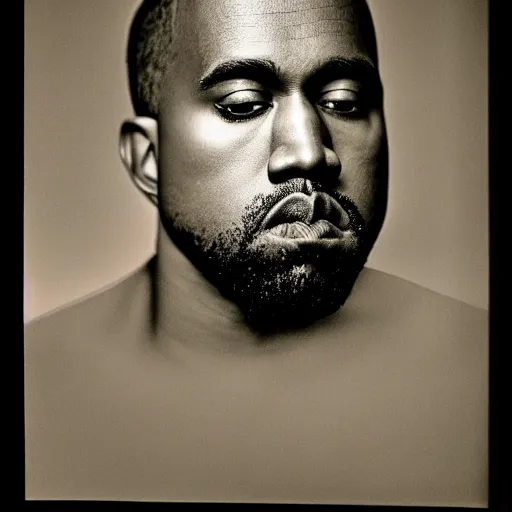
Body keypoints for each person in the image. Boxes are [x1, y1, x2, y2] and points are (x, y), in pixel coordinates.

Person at [24, 0, 488, 505]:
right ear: (150, 160)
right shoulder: (37, 393)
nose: (309, 151)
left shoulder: (476, 379)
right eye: (243, 103)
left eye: (344, 101)